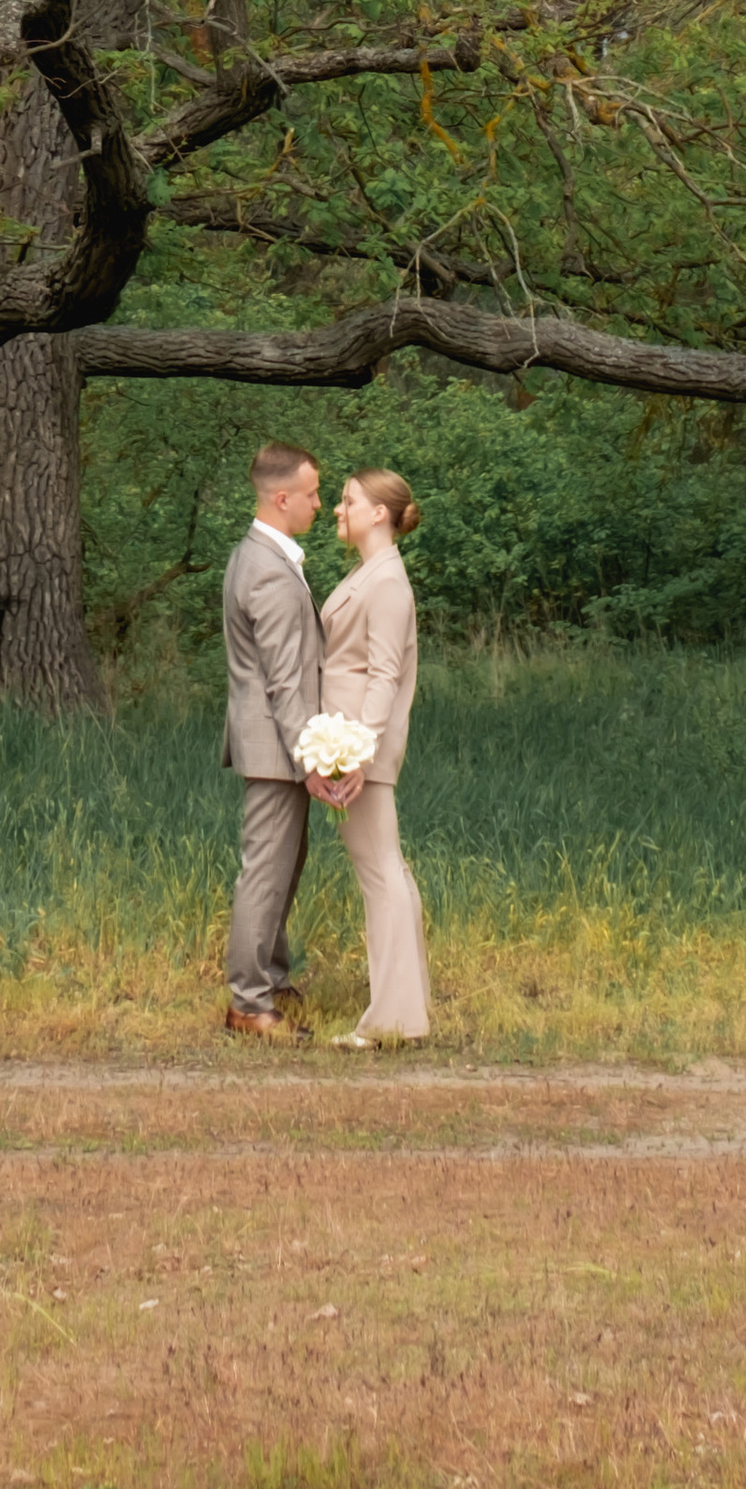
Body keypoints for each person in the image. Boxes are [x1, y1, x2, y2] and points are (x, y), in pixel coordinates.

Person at [308, 468, 433, 1047]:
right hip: (353, 744)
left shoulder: (386, 582)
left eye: (348, 499)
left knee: (381, 870)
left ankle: (393, 1019)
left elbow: (384, 675)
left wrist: (357, 752)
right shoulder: (370, 573)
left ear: (379, 512)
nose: (338, 508)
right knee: (385, 868)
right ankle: (403, 1013)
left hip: (361, 750)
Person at [218, 439, 325, 1039]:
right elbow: (285, 682)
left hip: (271, 742)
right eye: (311, 493)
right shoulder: (269, 574)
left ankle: (273, 979)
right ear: (281, 498)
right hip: (277, 746)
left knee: (282, 864)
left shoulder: (255, 557)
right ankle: (250, 1004)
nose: (319, 502)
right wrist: (311, 757)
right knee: (264, 871)